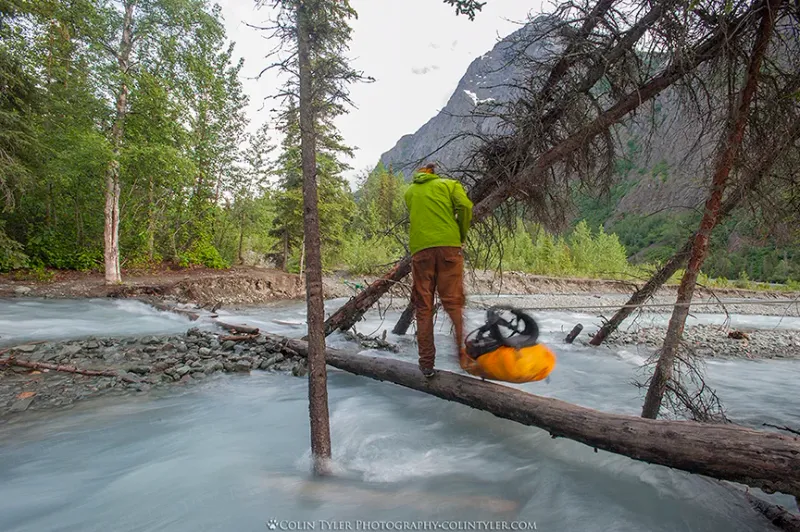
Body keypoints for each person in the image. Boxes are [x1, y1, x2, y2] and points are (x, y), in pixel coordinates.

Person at [404, 163, 473, 378]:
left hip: (421, 251)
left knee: (423, 307)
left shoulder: (410, 192)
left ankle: (426, 365)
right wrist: (460, 234)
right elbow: (465, 206)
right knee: (453, 304)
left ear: (419, 175)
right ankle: (464, 357)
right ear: (434, 174)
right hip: (449, 249)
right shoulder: (450, 185)